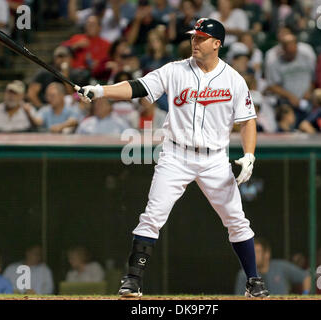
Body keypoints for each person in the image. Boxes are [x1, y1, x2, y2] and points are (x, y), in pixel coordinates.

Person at [78, 18, 270, 298]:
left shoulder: (233, 80)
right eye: (194, 37)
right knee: (152, 216)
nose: (195, 41)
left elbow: (248, 120)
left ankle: (254, 281)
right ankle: (132, 280)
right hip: (176, 154)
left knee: (236, 220)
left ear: (217, 44)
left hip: (215, 158)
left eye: (201, 38)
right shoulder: (175, 70)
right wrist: (100, 91)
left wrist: (250, 156)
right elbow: (138, 87)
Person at [266, 33, 316, 126]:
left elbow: (314, 78)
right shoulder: (275, 63)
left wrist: (309, 91)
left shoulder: (307, 57)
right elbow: (272, 86)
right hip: (287, 104)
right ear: (283, 49)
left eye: (294, 51)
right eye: (289, 52)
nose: (292, 54)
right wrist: (289, 96)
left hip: (307, 100)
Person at [235, 238, 310, 295]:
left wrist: (305, 296)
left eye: (257, 252)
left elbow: (306, 276)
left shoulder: (281, 267)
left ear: (267, 254)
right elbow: (238, 297)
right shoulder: (244, 274)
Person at [61, 15, 111, 79]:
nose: (90, 26)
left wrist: (98, 64)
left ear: (99, 27)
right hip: (72, 71)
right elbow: (61, 49)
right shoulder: (77, 38)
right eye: (88, 24)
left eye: (93, 24)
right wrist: (76, 46)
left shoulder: (106, 44)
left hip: (93, 74)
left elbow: (107, 62)